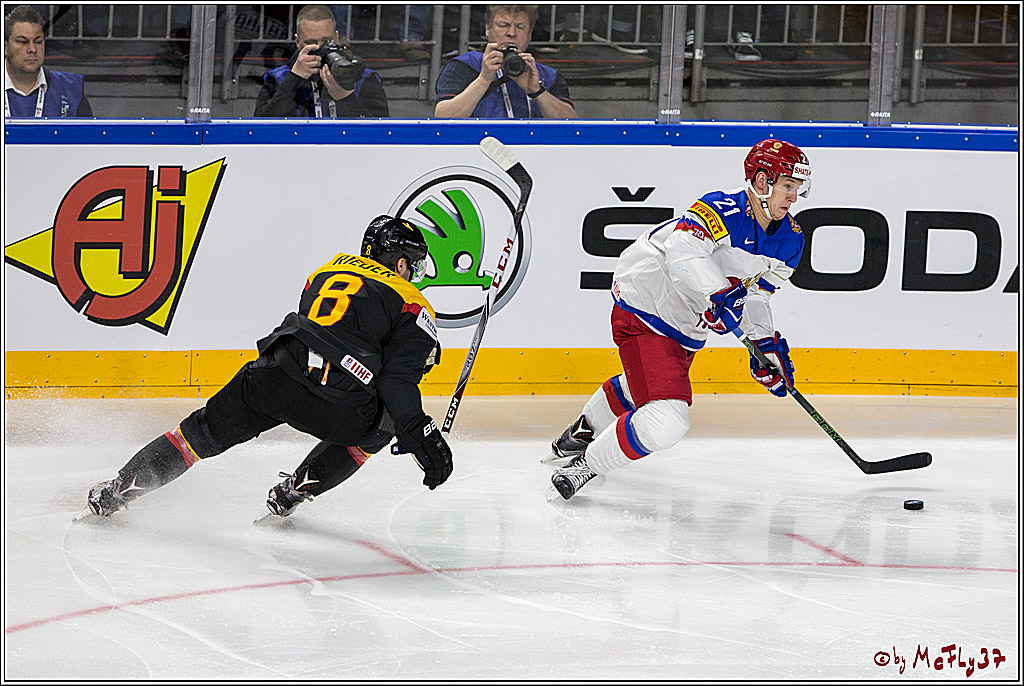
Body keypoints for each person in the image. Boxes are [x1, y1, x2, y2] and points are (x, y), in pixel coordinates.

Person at [85, 215, 452, 519]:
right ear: (400, 263)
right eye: (414, 265)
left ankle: (116, 491)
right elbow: (395, 383)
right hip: (339, 410)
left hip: (275, 379)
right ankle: (293, 491)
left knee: (198, 433)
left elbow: (334, 331)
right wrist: (421, 434)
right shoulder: (412, 302)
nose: (414, 274)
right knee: (384, 424)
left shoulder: (326, 271)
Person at [548, 140, 812, 500]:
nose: (793, 197)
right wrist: (718, 293)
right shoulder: (721, 208)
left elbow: (757, 295)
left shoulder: (791, 241)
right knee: (666, 420)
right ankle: (585, 466)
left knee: (647, 381)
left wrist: (764, 346)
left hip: (688, 319)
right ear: (762, 181)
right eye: (788, 185)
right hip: (647, 300)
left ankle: (581, 433)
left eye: (797, 188)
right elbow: (681, 253)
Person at [434, 4, 576, 119]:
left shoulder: (549, 76)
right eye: (503, 25)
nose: (511, 33)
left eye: (520, 27)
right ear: (488, 29)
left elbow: (572, 126)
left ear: (530, 33)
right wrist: (483, 80)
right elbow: (442, 118)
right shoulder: (465, 66)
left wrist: (537, 91)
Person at [254, 4, 388, 118]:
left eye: (326, 41)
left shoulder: (363, 77)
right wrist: (293, 79)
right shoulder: (278, 78)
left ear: (336, 38)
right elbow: (259, 131)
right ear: (297, 41)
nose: (319, 49)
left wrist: (345, 97)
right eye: (311, 43)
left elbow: (382, 134)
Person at [4, 5, 92, 118]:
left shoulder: (71, 89)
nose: (32, 49)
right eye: (22, 42)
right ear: (5, 47)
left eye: (38, 42)